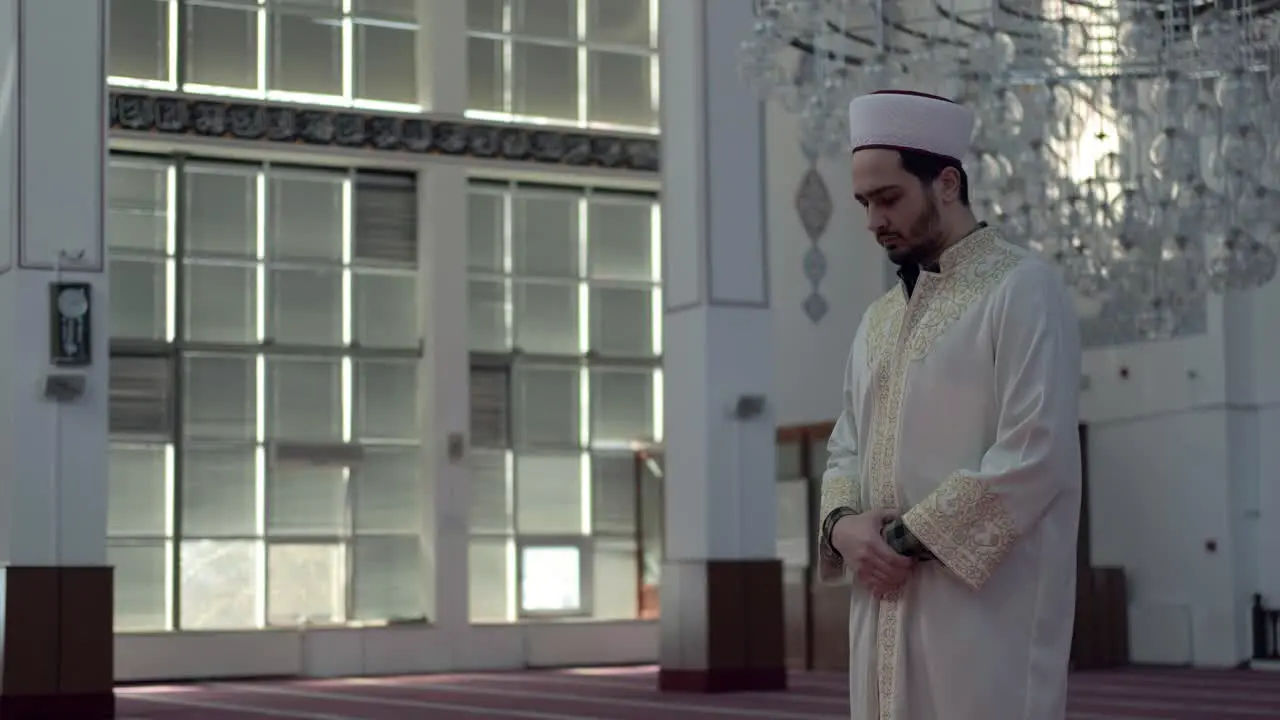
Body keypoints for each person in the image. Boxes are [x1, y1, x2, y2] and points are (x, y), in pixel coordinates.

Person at [816, 90, 1083, 720]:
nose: (873, 221)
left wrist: (899, 543)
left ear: (946, 183)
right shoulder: (877, 320)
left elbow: (1033, 453)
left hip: (983, 619)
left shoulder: (1023, 290)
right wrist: (841, 527)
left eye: (888, 199)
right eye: (864, 203)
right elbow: (843, 447)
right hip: (882, 605)